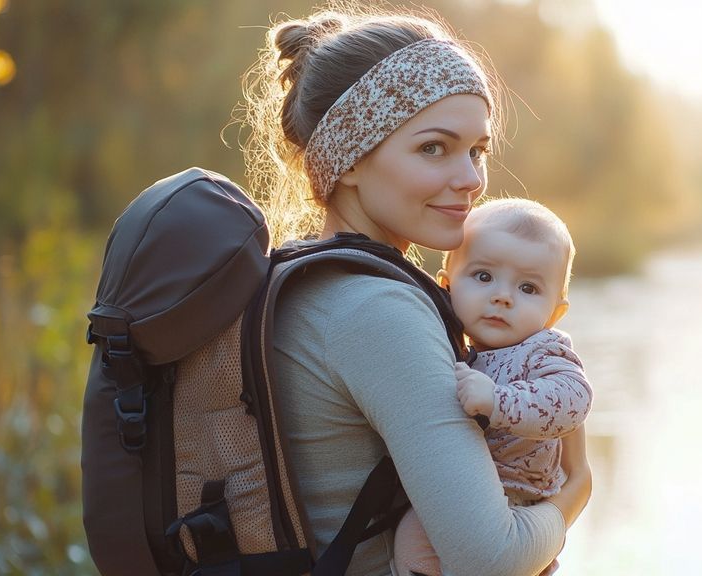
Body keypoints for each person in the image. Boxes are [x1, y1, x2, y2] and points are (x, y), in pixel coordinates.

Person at [240, 5, 591, 576]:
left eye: (476, 151)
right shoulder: (376, 310)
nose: (472, 179)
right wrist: (575, 491)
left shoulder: (310, 275)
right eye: (434, 148)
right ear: (349, 159)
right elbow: (490, 559)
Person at [393, 198, 592, 576]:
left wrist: (500, 402)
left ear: (555, 312)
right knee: (412, 539)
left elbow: (574, 398)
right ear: (447, 286)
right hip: (465, 493)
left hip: (519, 500)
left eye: (528, 288)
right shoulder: (450, 347)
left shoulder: (542, 349)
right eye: (483, 276)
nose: (503, 296)